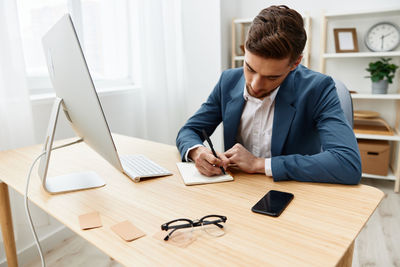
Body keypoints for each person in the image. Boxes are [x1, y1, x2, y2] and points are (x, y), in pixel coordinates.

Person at [176, 5, 361, 184]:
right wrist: (197, 152)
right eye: (249, 68)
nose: (255, 85)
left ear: (295, 63)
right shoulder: (228, 81)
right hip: (238, 190)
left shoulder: (318, 88)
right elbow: (189, 130)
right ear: (244, 50)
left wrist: (260, 164)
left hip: (293, 194)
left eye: (272, 77)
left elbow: (347, 163)